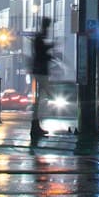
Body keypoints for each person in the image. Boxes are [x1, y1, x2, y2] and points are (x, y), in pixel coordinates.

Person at [29, 17, 55, 146]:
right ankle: (36, 125)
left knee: (40, 99)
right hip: (41, 71)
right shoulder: (40, 38)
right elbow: (41, 53)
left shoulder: (39, 38)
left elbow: (40, 52)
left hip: (39, 71)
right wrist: (50, 50)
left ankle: (36, 124)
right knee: (44, 97)